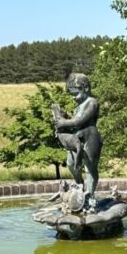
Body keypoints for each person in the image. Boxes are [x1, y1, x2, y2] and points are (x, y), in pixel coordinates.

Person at [53, 73, 102, 209]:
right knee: (70, 163)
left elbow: (81, 120)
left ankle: (90, 197)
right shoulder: (77, 107)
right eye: (72, 95)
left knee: (90, 168)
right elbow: (75, 123)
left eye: (76, 94)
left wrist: (64, 122)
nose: (74, 98)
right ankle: (80, 185)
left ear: (85, 88)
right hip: (77, 139)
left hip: (91, 138)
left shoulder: (92, 102)